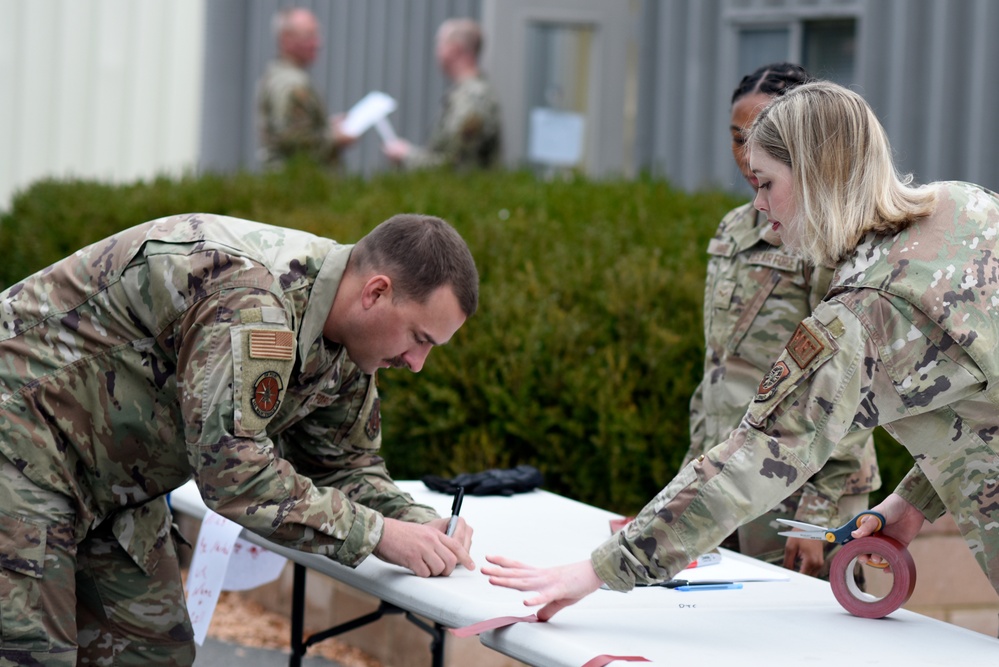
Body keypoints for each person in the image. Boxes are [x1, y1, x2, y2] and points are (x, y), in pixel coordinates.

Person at [482, 80, 999, 620]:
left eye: (766, 182)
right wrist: (910, 503)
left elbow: (752, 459)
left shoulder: (859, 316)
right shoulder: (967, 206)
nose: (759, 205)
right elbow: (979, 403)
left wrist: (599, 570)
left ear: (818, 176)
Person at [0, 212, 478, 665]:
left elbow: (343, 465)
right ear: (376, 292)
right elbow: (235, 476)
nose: (417, 363)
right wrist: (378, 534)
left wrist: (414, 522)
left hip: (105, 476)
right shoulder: (253, 302)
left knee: (150, 650)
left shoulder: (352, 345)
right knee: (30, 650)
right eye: (420, 338)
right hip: (22, 444)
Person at [684, 63, 880, 577]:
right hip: (737, 478)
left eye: (759, 136)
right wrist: (694, 479)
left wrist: (816, 514)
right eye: (736, 138)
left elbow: (856, 381)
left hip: (806, 489)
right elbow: (719, 367)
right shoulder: (733, 227)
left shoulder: (828, 235)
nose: (746, 155)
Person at [382, 18, 502, 170]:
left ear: (453, 50)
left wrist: (407, 155)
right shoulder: (466, 94)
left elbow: (456, 166)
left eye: (440, 43)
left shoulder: (473, 98)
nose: (437, 51)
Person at [256, 7, 355, 169]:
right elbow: (297, 144)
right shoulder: (293, 85)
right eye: (310, 36)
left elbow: (291, 129)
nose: (318, 42)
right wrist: (336, 137)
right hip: (299, 184)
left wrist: (326, 126)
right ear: (286, 39)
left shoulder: (275, 73)